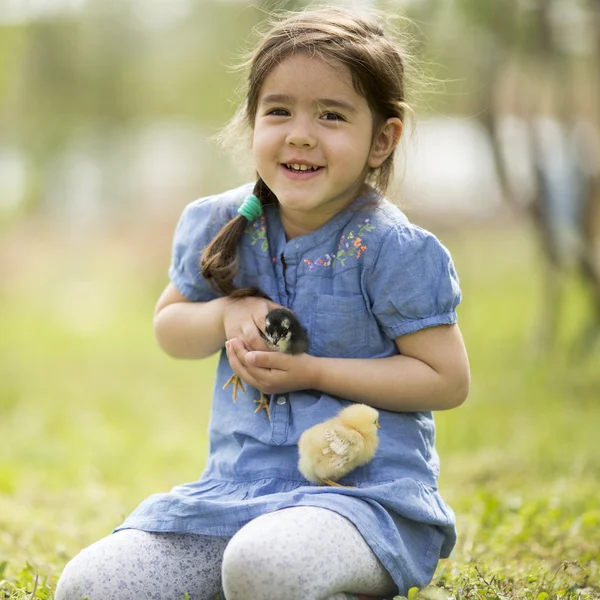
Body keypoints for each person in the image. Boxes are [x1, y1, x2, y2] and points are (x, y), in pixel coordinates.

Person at [55, 7, 470, 600]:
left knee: (263, 565)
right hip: (232, 498)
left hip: (359, 505)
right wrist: (224, 313)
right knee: (92, 585)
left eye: (331, 115)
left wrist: (314, 372)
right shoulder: (224, 224)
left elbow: (446, 380)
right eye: (279, 111)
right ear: (253, 124)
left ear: (383, 139)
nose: (300, 133)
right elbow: (170, 328)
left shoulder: (390, 248)